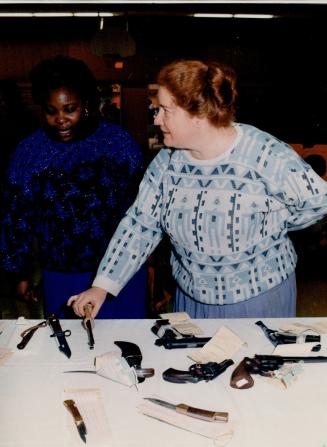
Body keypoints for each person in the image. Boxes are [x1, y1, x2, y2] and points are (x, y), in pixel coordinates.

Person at [68, 58, 327, 320]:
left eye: (165, 110)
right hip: (190, 298)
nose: (156, 118)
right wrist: (101, 287)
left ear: (198, 117)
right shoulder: (167, 161)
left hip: (258, 297)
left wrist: (273, 225)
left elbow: (317, 201)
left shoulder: (264, 154)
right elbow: (141, 224)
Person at [0, 55, 147, 318]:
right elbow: (16, 219)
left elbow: (144, 212)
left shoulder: (118, 143)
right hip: (61, 273)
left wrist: (151, 269)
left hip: (120, 273)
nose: (60, 119)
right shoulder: (30, 152)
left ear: (87, 104)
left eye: (70, 109)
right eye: (50, 111)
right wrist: (19, 274)